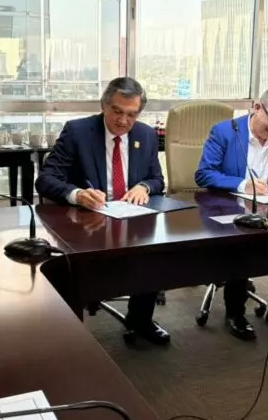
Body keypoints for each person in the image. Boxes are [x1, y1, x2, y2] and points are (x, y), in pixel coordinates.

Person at [35, 77, 169, 345]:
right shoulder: (78, 131)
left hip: (130, 218)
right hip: (87, 220)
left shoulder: (145, 135)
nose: (123, 121)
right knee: (74, 271)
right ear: (104, 105)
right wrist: (77, 194)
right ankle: (71, 335)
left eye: (132, 114)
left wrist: (144, 186)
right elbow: (46, 179)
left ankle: (140, 319)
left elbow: (157, 179)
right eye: (117, 111)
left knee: (155, 251)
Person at [195, 86, 268, 341]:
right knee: (242, 246)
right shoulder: (226, 132)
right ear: (257, 108)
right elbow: (204, 174)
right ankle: (235, 313)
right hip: (229, 212)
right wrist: (242, 184)